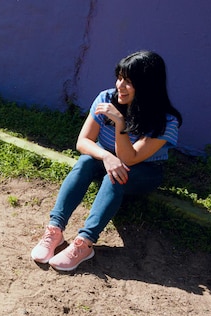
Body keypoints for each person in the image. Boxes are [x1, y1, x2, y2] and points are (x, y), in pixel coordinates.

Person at [31, 50, 182, 271]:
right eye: (119, 77)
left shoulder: (166, 121)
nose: (120, 86)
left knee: (116, 177)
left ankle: (84, 244)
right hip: (109, 158)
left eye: (129, 82)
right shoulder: (105, 98)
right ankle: (54, 230)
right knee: (84, 162)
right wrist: (106, 156)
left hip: (144, 170)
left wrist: (120, 124)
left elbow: (130, 158)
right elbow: (83, 142)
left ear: (148, 85)